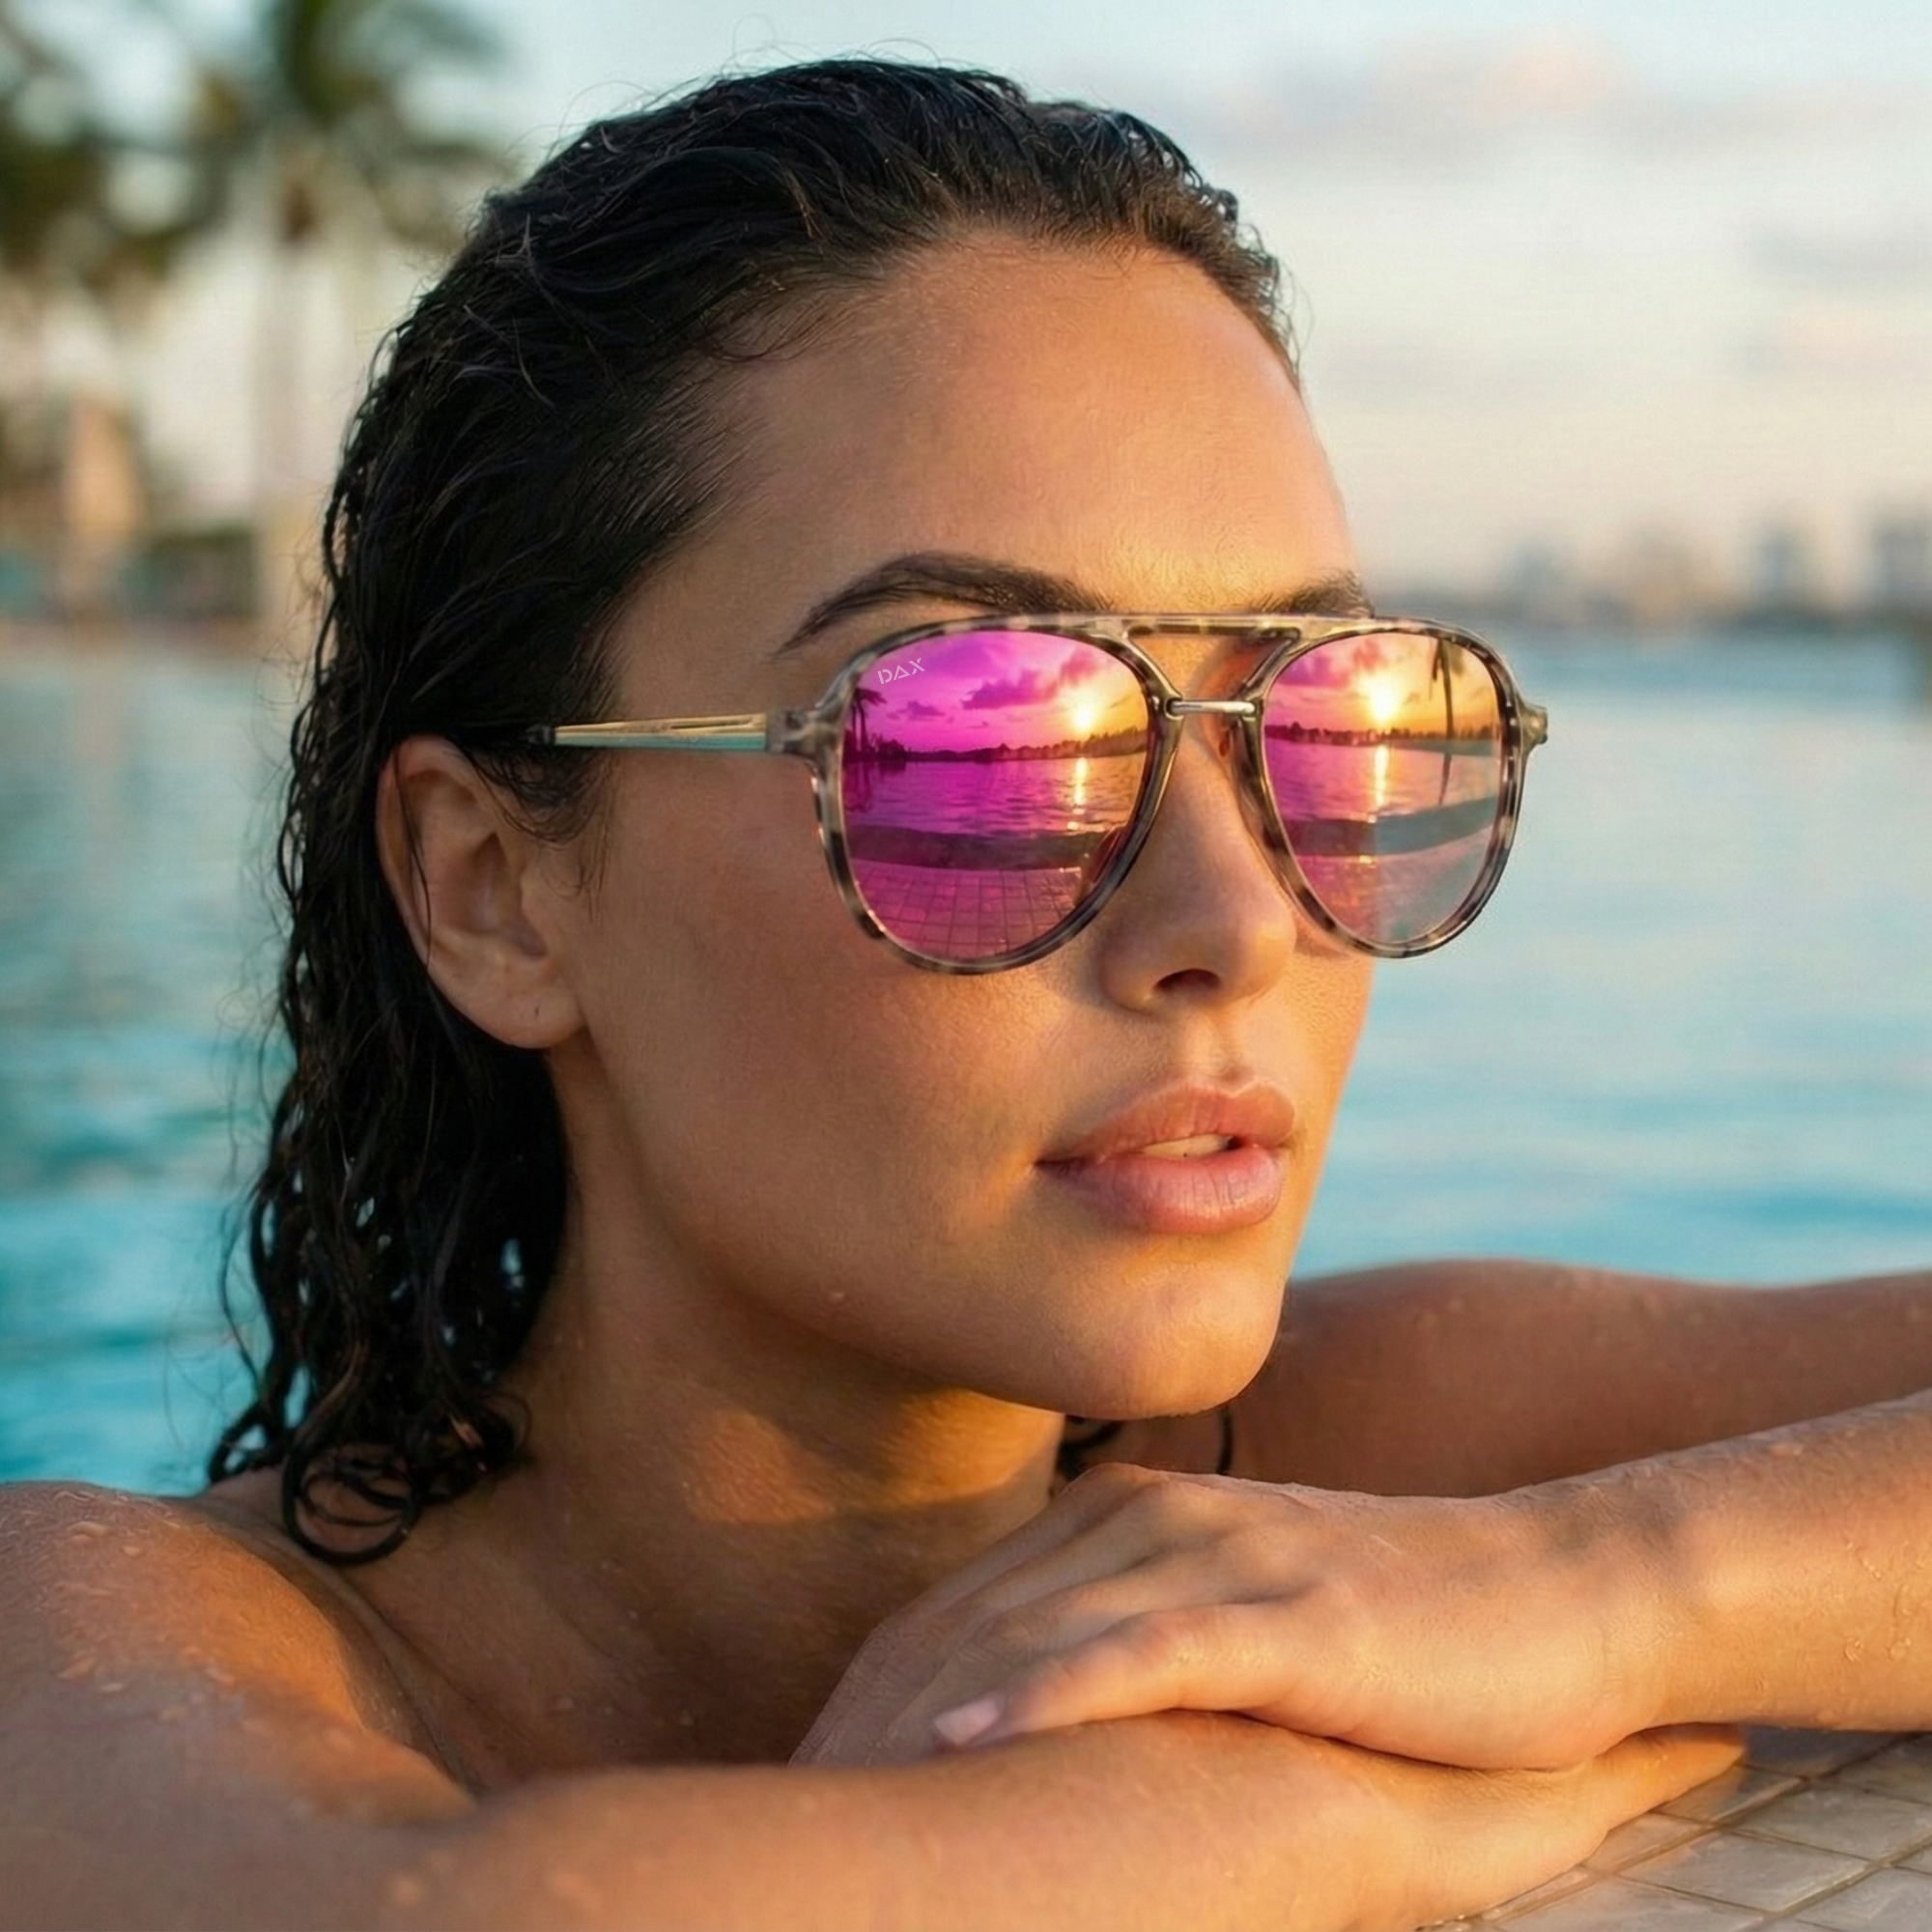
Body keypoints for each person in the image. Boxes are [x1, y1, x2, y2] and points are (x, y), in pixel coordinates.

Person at [2, 58, 1929, 1932]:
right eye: (981, 741)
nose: (1237, 917)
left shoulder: (1350, 1451)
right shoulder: (121, 1634)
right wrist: (1277, 1816)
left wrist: (1577, 1589)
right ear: (493, 890)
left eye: (1324, 717)